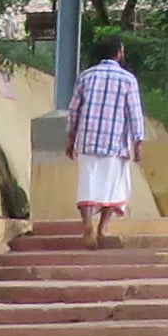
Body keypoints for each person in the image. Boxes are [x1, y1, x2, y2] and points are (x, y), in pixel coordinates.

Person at [62, 32, 144, 248]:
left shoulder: (86, 76)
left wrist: (71, 138)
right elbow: (134, 113)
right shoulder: (128, 79)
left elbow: (74, 110)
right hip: (115, 144)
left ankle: (87, 223)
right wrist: (138, 142)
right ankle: (102, 228)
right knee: (113, 186)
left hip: (87, 141)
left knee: (87, 184)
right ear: (119, 54)